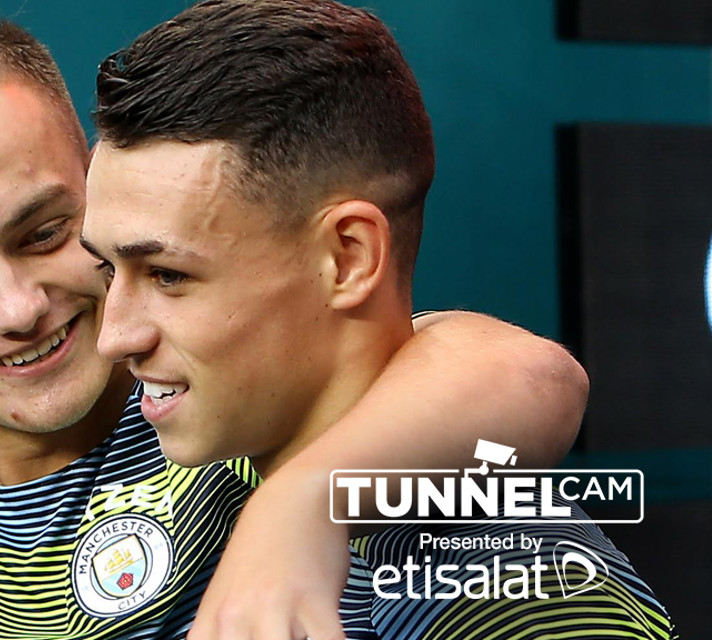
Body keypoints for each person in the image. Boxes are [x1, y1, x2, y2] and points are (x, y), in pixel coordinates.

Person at [0, 2, 589, 639]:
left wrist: (299, 507)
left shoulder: (237, 397)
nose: (18, 307)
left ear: (105, 188)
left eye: (45, 234)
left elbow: (524, 374)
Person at [83, 1, 676, 638]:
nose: (114, 337)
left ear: (348, 257)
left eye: (168, 275)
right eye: (108, 270)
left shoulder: (522, 594)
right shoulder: (219, 442)